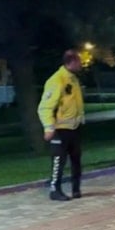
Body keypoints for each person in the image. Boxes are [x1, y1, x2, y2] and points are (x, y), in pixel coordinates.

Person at [38, 49, 85, 201]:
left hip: (74, 128)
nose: (81, 64)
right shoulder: (57, 80)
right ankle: (55, 190)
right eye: (79, 62)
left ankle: (76, 189)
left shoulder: (73, 79)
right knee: (59, 160)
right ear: (72, 62)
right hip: (60, 129)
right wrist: (49, 127)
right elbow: (45, 107)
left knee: (76, 159)